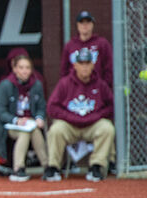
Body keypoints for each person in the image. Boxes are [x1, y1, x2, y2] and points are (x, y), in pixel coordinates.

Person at [43, 47, 114, 182]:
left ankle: (96, 166)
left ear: (93, 65)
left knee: (107, 128)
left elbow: (111, 106)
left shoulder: (100, 84)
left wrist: (95, 116)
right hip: (71, 125)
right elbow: (52, 107)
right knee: (56, 129)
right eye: (81, 64)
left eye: (87, 63)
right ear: (75, 65)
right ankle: (53, 167)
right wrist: (71, 117)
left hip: (92, 125)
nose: (85, 67)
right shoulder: (65, 83)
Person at [0, 54, 48, 182]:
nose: (24, 71)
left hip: (30, 122)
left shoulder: (37, 85)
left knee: (33, 130)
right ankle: (19, 168)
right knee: (25, 132)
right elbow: (0, 111)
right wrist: (16, 120)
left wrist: (39, 117)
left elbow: (41, 106)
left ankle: (47, 167)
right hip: (11, 125)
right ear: (15, 69)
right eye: (21, 67)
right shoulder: (6, 85)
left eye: (27, 68)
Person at [60, 11, 113, 87]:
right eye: (81, 22)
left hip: (96, 89)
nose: (85, 25)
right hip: (75, 90)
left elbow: (109, 69)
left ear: (92, 24)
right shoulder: (70, 45)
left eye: (88, 22)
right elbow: (63, 71)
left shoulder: (102, 43)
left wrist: (104, 87)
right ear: (77, 25)